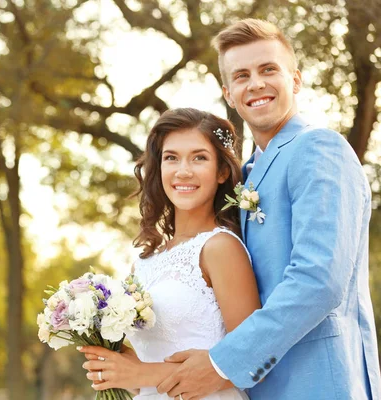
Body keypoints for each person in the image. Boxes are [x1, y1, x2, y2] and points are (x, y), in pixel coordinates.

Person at [155, 19, 381, 400]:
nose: (256, 83)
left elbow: (318, 281)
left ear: (295, 80)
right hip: (258, 388)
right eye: (241, 75)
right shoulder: (246, 174)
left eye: (268, 69)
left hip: (319, 384)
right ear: (228, 93)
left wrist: (220, 364)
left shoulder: (317, 148)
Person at [78, 107, 261, 399]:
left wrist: (141, 372)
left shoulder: (220, 248)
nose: (183, 171)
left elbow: (253, 360)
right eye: (171, 158)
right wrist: (116, 367)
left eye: (199, 157)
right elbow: (143, 377)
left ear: (222, 171)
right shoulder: (145, 262)